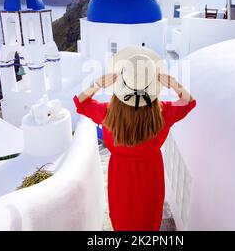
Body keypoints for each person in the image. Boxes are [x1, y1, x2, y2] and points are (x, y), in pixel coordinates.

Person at [73, 46, 196, 231]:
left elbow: (80, 103)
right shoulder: (164, 113)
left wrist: (97, 84)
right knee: (148, 218)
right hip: (151, 175)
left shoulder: (108, 113)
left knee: (123, 217)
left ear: (122, 85)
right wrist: (174, 84)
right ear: (152, 86)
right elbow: (189, 102)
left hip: (120, 177)